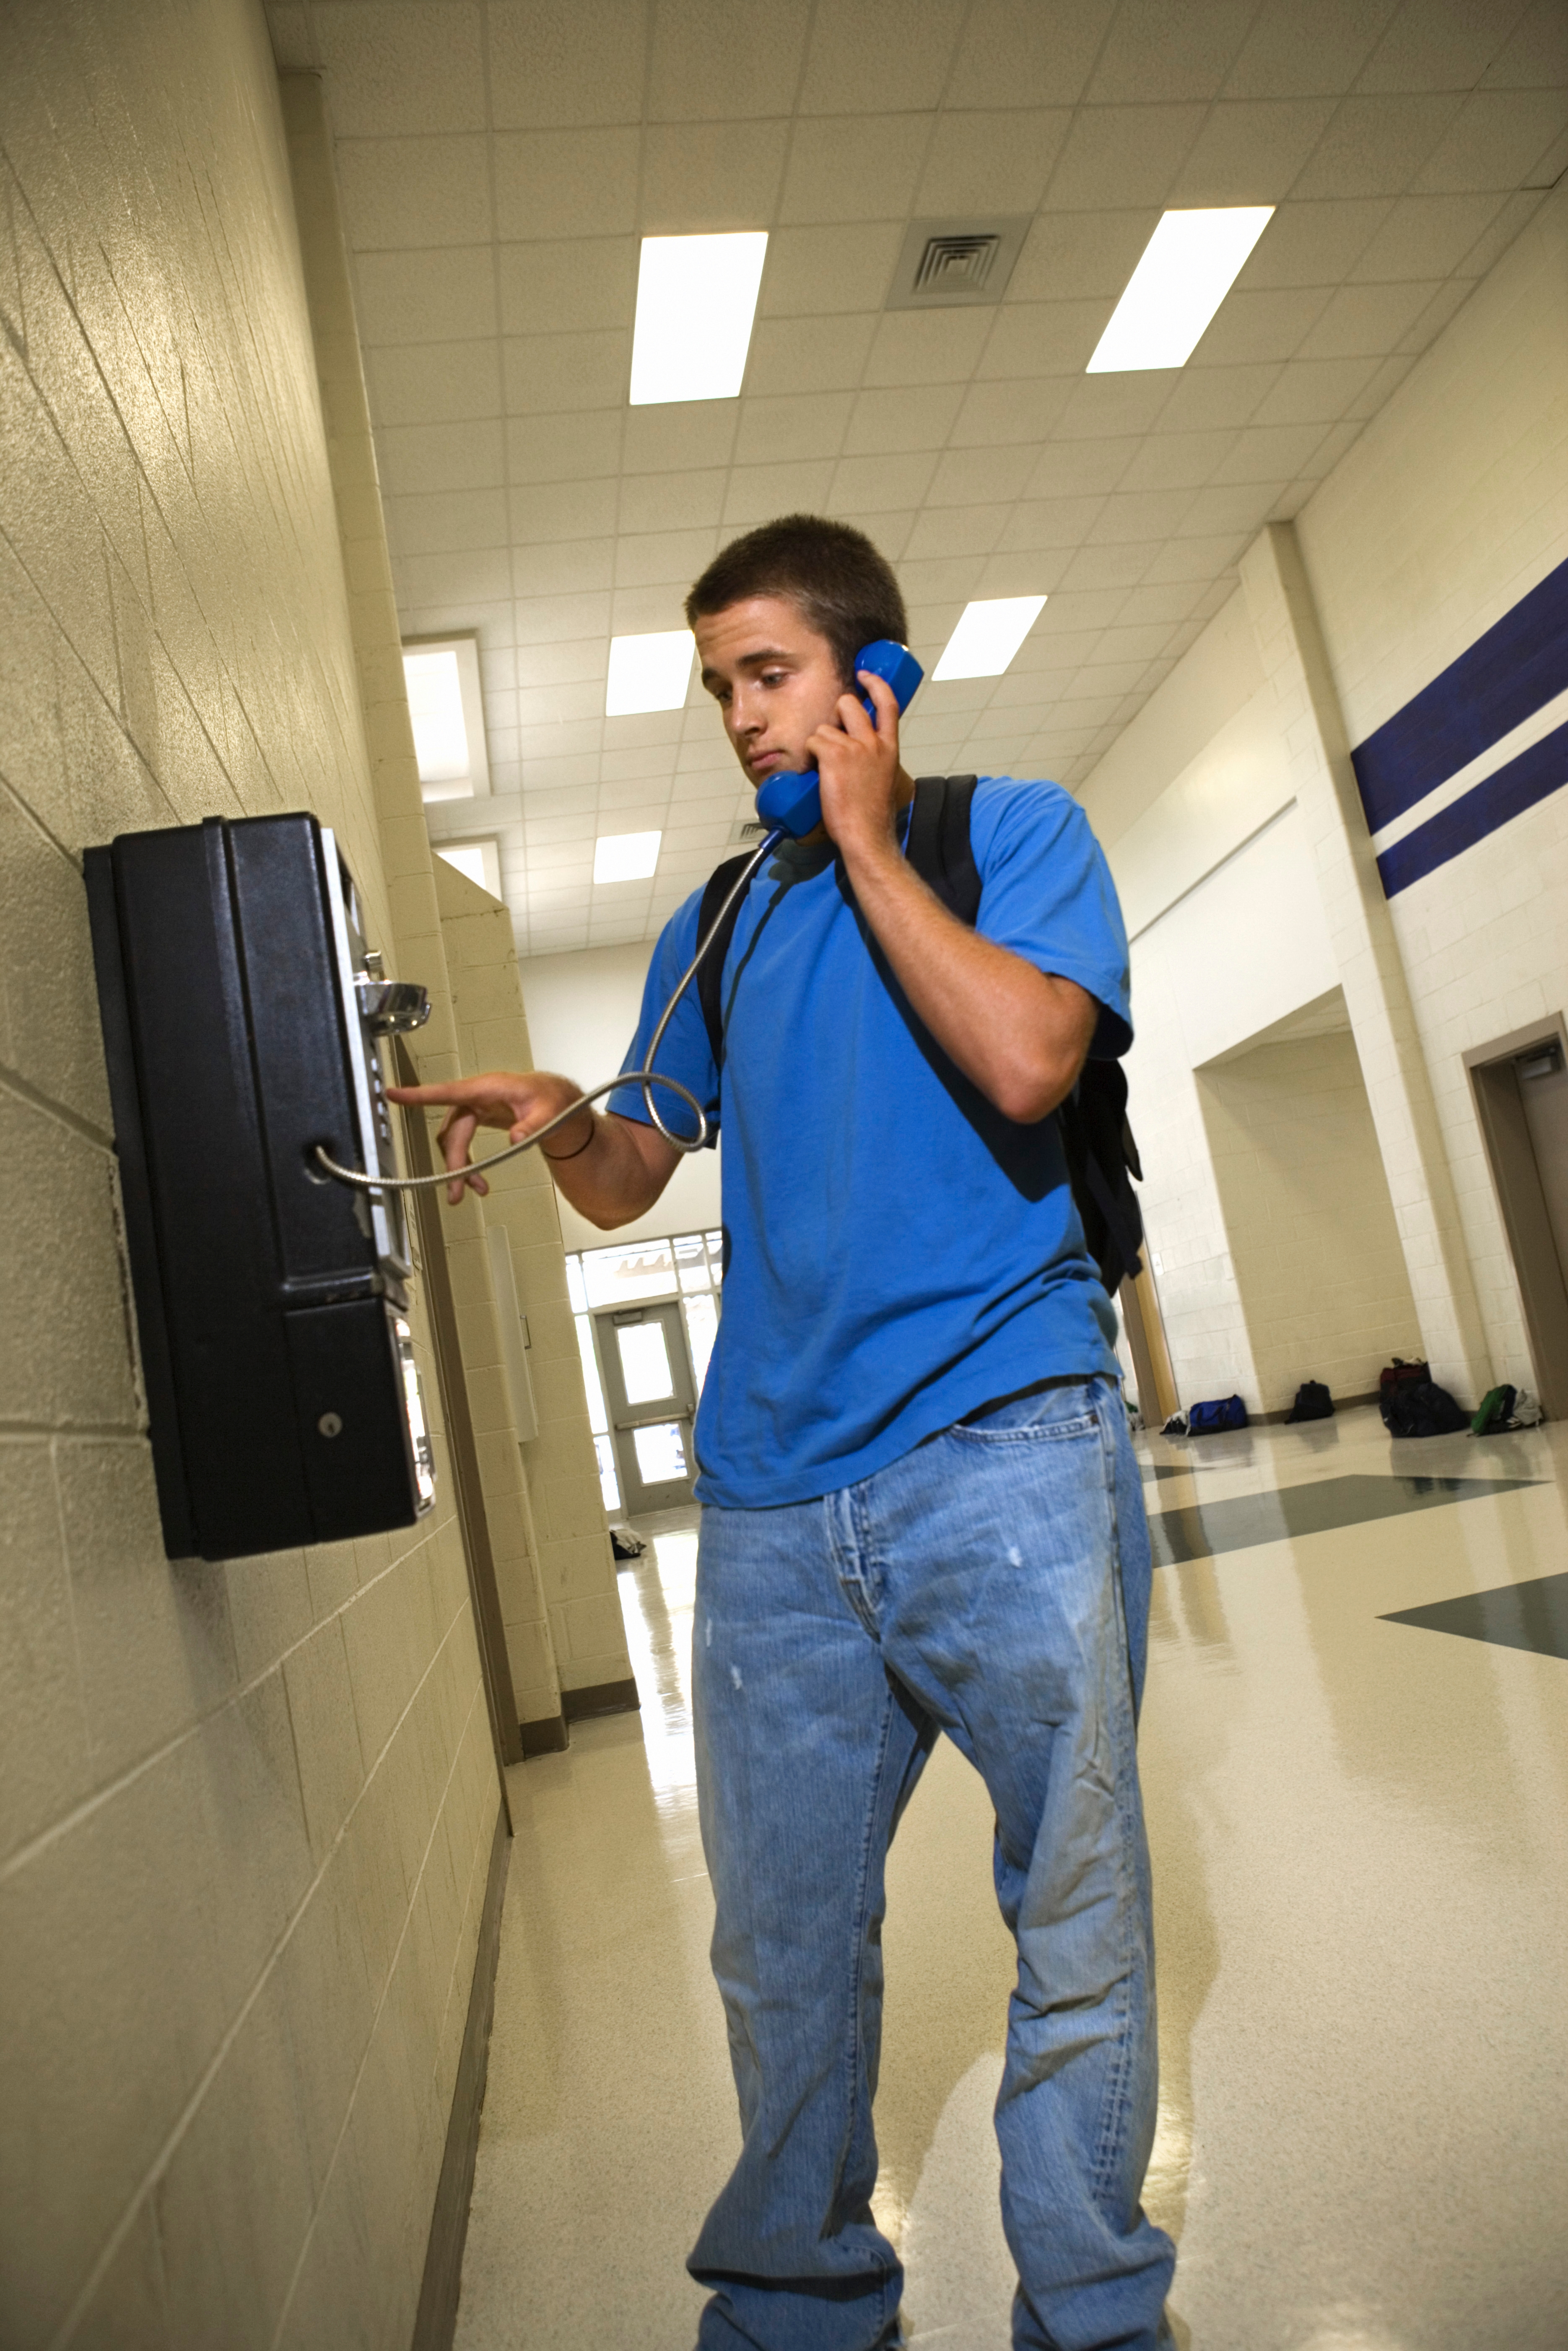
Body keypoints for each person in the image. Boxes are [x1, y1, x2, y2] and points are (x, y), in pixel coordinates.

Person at [389, 516, 1174, 2351]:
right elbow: (625, 1180)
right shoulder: (716, 920)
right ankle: (800, 2305)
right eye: (716, 688)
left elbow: (1026, 1062)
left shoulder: (1010, 835)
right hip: (769, 1507)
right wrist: (569, 1113)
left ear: (867, 677)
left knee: (1070, 1920)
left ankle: (1089, 2312)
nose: (739, 718)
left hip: (1007, 1445)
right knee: (781, 1957)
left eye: (767, 675)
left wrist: (872, 839)